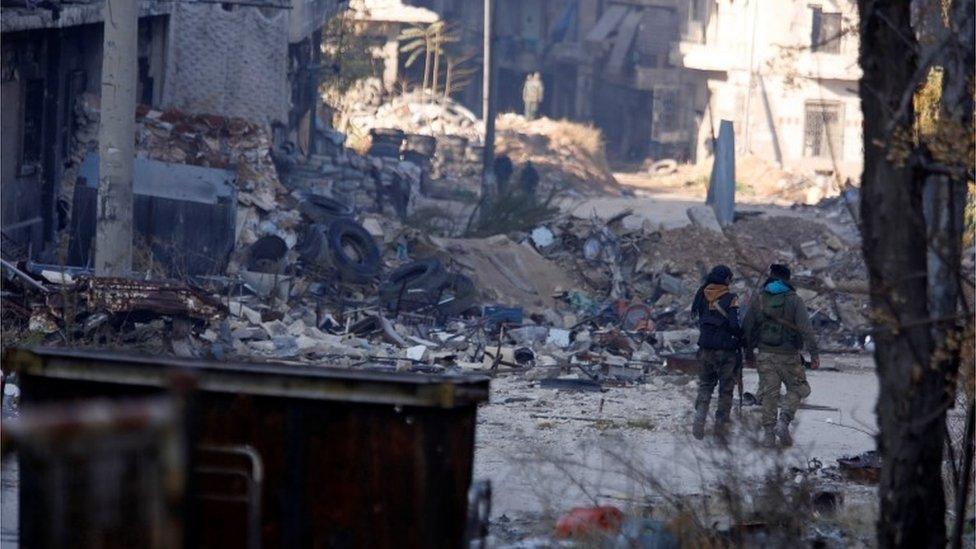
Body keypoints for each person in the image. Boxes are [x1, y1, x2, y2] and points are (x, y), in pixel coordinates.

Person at [742, 264, 820, 448]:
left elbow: (747, 327)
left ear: (771, 276)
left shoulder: (759, 299)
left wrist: (748, 354)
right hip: (789, 356)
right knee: (799, 388)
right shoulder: (794, 300)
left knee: (769, 393)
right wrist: (814, 354)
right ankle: (783, 421)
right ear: (788, 279)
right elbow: (806, 329)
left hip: (765, 355)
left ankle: (768, 436)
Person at [690, 265, 742, 440]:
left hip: (705, 349)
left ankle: (699, 421)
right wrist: (742, 337)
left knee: (705, 386)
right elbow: (735, 325)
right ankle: (720, 430)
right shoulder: (731, 298)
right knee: (725, 390)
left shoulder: (702, 296)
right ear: (726, 279)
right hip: (725, 351)